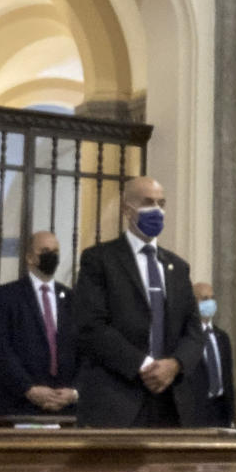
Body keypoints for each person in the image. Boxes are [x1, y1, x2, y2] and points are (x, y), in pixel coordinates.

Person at [73, 176, 204, 427]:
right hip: (117, 400)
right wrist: (143, 365)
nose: (156, 210)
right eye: (147, 202)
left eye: (161, 203)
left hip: (170, 402)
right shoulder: (99, 259)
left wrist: (175, 364)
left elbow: (193, 331)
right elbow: (91, 326)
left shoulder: (177, 267)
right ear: (126, 209)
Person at [0, 231, 78, 416]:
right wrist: (28, 389)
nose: (51, 255)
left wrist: (73, 392)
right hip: (17, 404)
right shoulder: (7, 295)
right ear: (29, 257)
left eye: (55, 251)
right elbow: (0, 347)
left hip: (63, 406)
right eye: (45, 250)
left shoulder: (71, 298)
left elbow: (83, 349)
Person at [189, 282, 235, 427]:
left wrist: (231, 415)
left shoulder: (222, 337)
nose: (210, 303)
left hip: (221, 411)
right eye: (204, 298)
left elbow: (228, 378)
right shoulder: (186, 337)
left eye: (212, 298)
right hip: (196, 412)